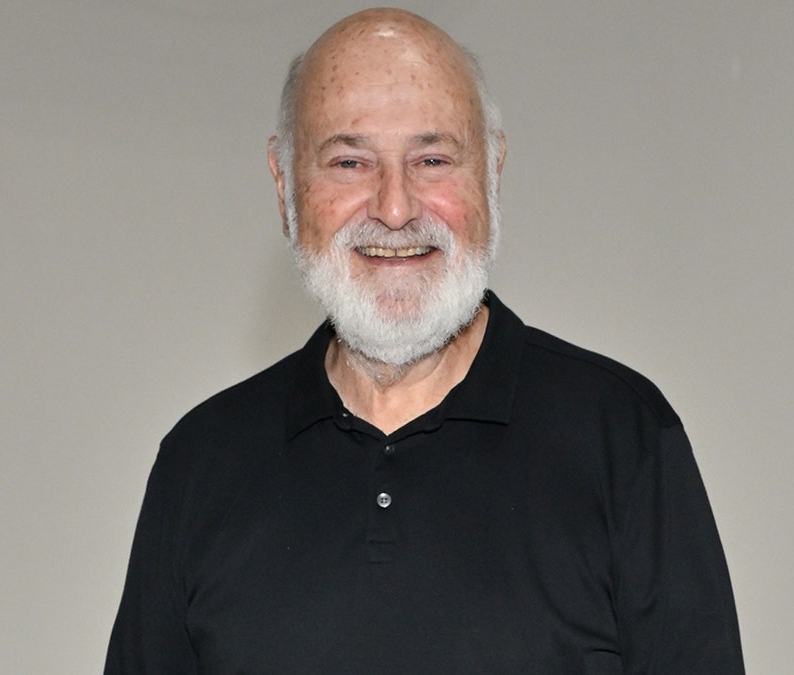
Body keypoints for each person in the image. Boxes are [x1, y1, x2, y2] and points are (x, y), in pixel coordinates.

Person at [105, 8, 744, 674]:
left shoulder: (625, 438)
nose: (396, 206)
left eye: (432, 158)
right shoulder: (200, 464)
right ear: (284, 184)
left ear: (492, 173)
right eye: (350, 161)